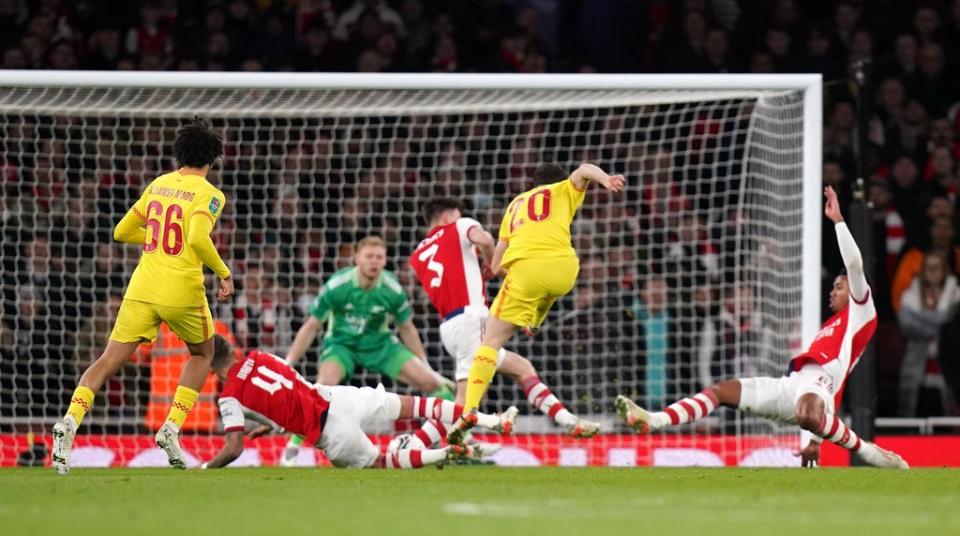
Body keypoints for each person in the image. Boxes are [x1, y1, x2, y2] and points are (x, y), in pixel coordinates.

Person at [616, 187, 909, 469]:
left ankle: (867, 451)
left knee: (808, 414)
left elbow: (854, 265)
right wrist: (815, 442)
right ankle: (655, 420)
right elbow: (826, 392)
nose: (832, 292)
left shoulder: (862, 310)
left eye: (838, 287)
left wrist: (838, 222)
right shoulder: (832, 326)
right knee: (721, 391)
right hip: (791, 387)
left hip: (813, 390)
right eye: (833, 286)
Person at [52, 118, 234, 474]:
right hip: (181, 290)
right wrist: (224, 273)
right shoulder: (210, 194)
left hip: (142, 288)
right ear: (212, 158)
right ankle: (171, 428)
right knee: (203, 353)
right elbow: (197, 238)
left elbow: (122, 231)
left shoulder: (159, 185)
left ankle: (70, 421)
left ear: (178, 153)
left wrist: (155, 240)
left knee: (106, 360)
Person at [448, 162, 625, 443]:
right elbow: (584, 169)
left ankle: (469, 410)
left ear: (533, 184)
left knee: (490, 342)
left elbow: (496, 263)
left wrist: (506, 271)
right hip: (566, 269)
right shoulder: (565, 190)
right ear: (558, 181)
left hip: (529, 271)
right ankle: (535, 321)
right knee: (548, 289)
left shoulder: (515, 204)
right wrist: (606, 180)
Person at [409, 198, 600, 439]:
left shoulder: (417, 255)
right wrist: (492, 262)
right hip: (472, 320)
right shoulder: (459, 225)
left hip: (449, 327)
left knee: (522, 368)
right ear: (448, 217)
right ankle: (414, 446)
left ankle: (568, 420)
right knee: (465, 402)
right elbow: (486, 239)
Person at [202, 336, 516, 469]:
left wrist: (204, 467)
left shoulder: (229, 398)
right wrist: (273, 423)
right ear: (231, 350)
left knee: (381, 464)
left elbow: (233, 448)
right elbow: (284, 393)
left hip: (331, 434)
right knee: (420, 406)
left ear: (208, 365)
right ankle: (492, 420)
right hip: (339, 398)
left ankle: (444, 452)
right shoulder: (261, 355)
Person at [282, 235, 455, 463]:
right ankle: (292, 450)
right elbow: (311, 326)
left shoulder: (392, 288)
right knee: (323, 387)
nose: (374, 262)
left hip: (380, 345)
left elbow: (407, 327)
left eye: (379, 257)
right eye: (369, 256)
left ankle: (460, 439)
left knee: (434, 384)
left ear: (385, 261)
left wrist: (426, 365)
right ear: (357, 259)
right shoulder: (338, 285)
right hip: (342, 345)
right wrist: (288, 363)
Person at [897, 251, 960, 417]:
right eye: (928, 267)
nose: (932, 271)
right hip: (916, 362)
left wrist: (922, 320)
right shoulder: (909, 295)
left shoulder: (955, 294)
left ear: (945, 270)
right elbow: (906, 324)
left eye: (937, 267)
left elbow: (953, 323)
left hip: (949, 362)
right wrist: (941, 326)